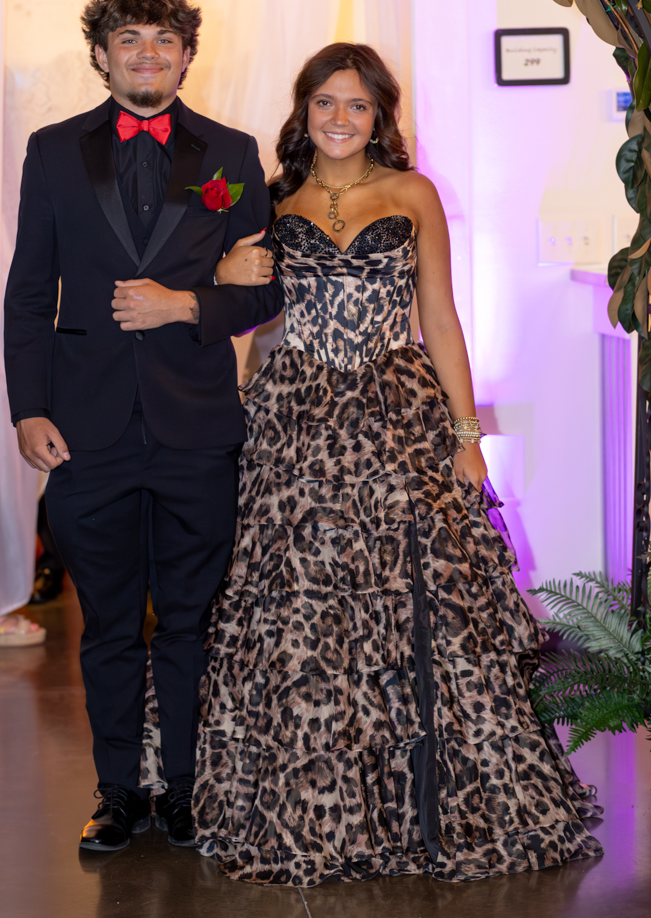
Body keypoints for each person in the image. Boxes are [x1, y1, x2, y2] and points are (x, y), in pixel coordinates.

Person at [192, 43, 603, 885]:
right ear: (303, 110)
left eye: (358, 106)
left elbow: (441, 319)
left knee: (421, 604)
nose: (340, 119)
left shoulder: (413, 195)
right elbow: (249, 313)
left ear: (381, 116)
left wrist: (465, 435)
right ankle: (312, 805)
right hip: (296, 419)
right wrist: (224, 285)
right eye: (325, 104)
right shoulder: (274, 200)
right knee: (303, 609)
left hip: (396, 411)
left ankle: (425, 805)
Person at [3, 0, 282, 853]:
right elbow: (26, 295)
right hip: (84, 432)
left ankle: (189, 791)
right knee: (110, 623)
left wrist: (187, 306)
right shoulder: (50, 151)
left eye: (164, 39)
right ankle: (118, 791)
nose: (147, 53)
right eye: (130, 39)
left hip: (197, 427)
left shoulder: (234, 155)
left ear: (189, 54)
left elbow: (263, 297)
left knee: (191, 621)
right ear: (101, 53)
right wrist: (26, 410)